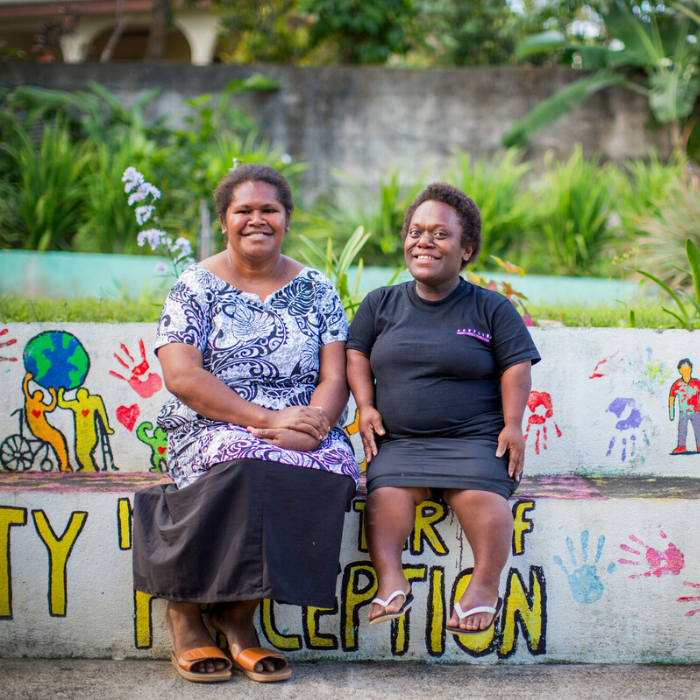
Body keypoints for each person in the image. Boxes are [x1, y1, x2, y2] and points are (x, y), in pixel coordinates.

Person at [132, 164, 358, 683]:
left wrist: (316, 423)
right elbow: (182, 376)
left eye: (269, 210)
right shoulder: (195, 285)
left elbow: (335, 373)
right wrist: (266, 419)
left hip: (302, 423)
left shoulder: (317, 290)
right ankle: (186, 611)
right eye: (244, 211)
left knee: (327, 464)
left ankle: (238, 617)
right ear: (225, 219)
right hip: (212, 423)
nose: (257, 220)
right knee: (248, 458)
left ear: (286, 218)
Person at [346, 183, 540, 636]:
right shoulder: (381, 303)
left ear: (466, 249)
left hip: (473, 441)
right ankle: (391, 580)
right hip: (401, 443)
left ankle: (484, 586)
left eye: (440, 234)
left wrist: (513, 425)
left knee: (481, 498)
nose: (424, 242)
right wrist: (366, 406)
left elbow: (516, 366)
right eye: (416, 231)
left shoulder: (491, 308)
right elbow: (355, 353)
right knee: (386, 495)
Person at [669, 358, 700, 454]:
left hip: (696, 411)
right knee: (682, 429)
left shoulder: (697, 383)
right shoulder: (677, 384)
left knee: (698, 428)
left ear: (691, 368)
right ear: (679, 370)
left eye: (687, 367)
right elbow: (672, 398)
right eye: (683, 368)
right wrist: (671, 412)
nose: (685, 370)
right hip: (683, 411)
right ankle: (681, 446)